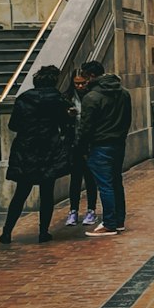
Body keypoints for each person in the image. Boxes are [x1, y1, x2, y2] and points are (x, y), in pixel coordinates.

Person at [0, 65, 73, 244]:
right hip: (48, 149)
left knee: (21, 192)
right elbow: (65, 124)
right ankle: (43, 232)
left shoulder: (23, 99)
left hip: (26, 149)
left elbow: (13, 125)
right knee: (47, 193)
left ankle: (7, 232)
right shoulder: (58, 99)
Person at [76, 59, 133, 238]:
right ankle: (119, 220)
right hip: (118, 143)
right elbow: (127, 118)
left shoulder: (92, 97)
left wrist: (81, 148)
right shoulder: (123, 93)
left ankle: (109, 224)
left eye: (85, 77)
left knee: (105, 185)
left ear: (91, 75)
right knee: (116, 182)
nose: (83, 81)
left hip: (100, 145)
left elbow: (86, 127)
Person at [64, 71, 98, 227]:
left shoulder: (92, 96)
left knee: (90, 179)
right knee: (75, 179)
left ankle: (91, 210)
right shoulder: (68, 98)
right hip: (74, 143)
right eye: (77, 83)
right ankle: (73, 211)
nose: (79, 86)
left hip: (90, 143)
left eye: (82, 83)